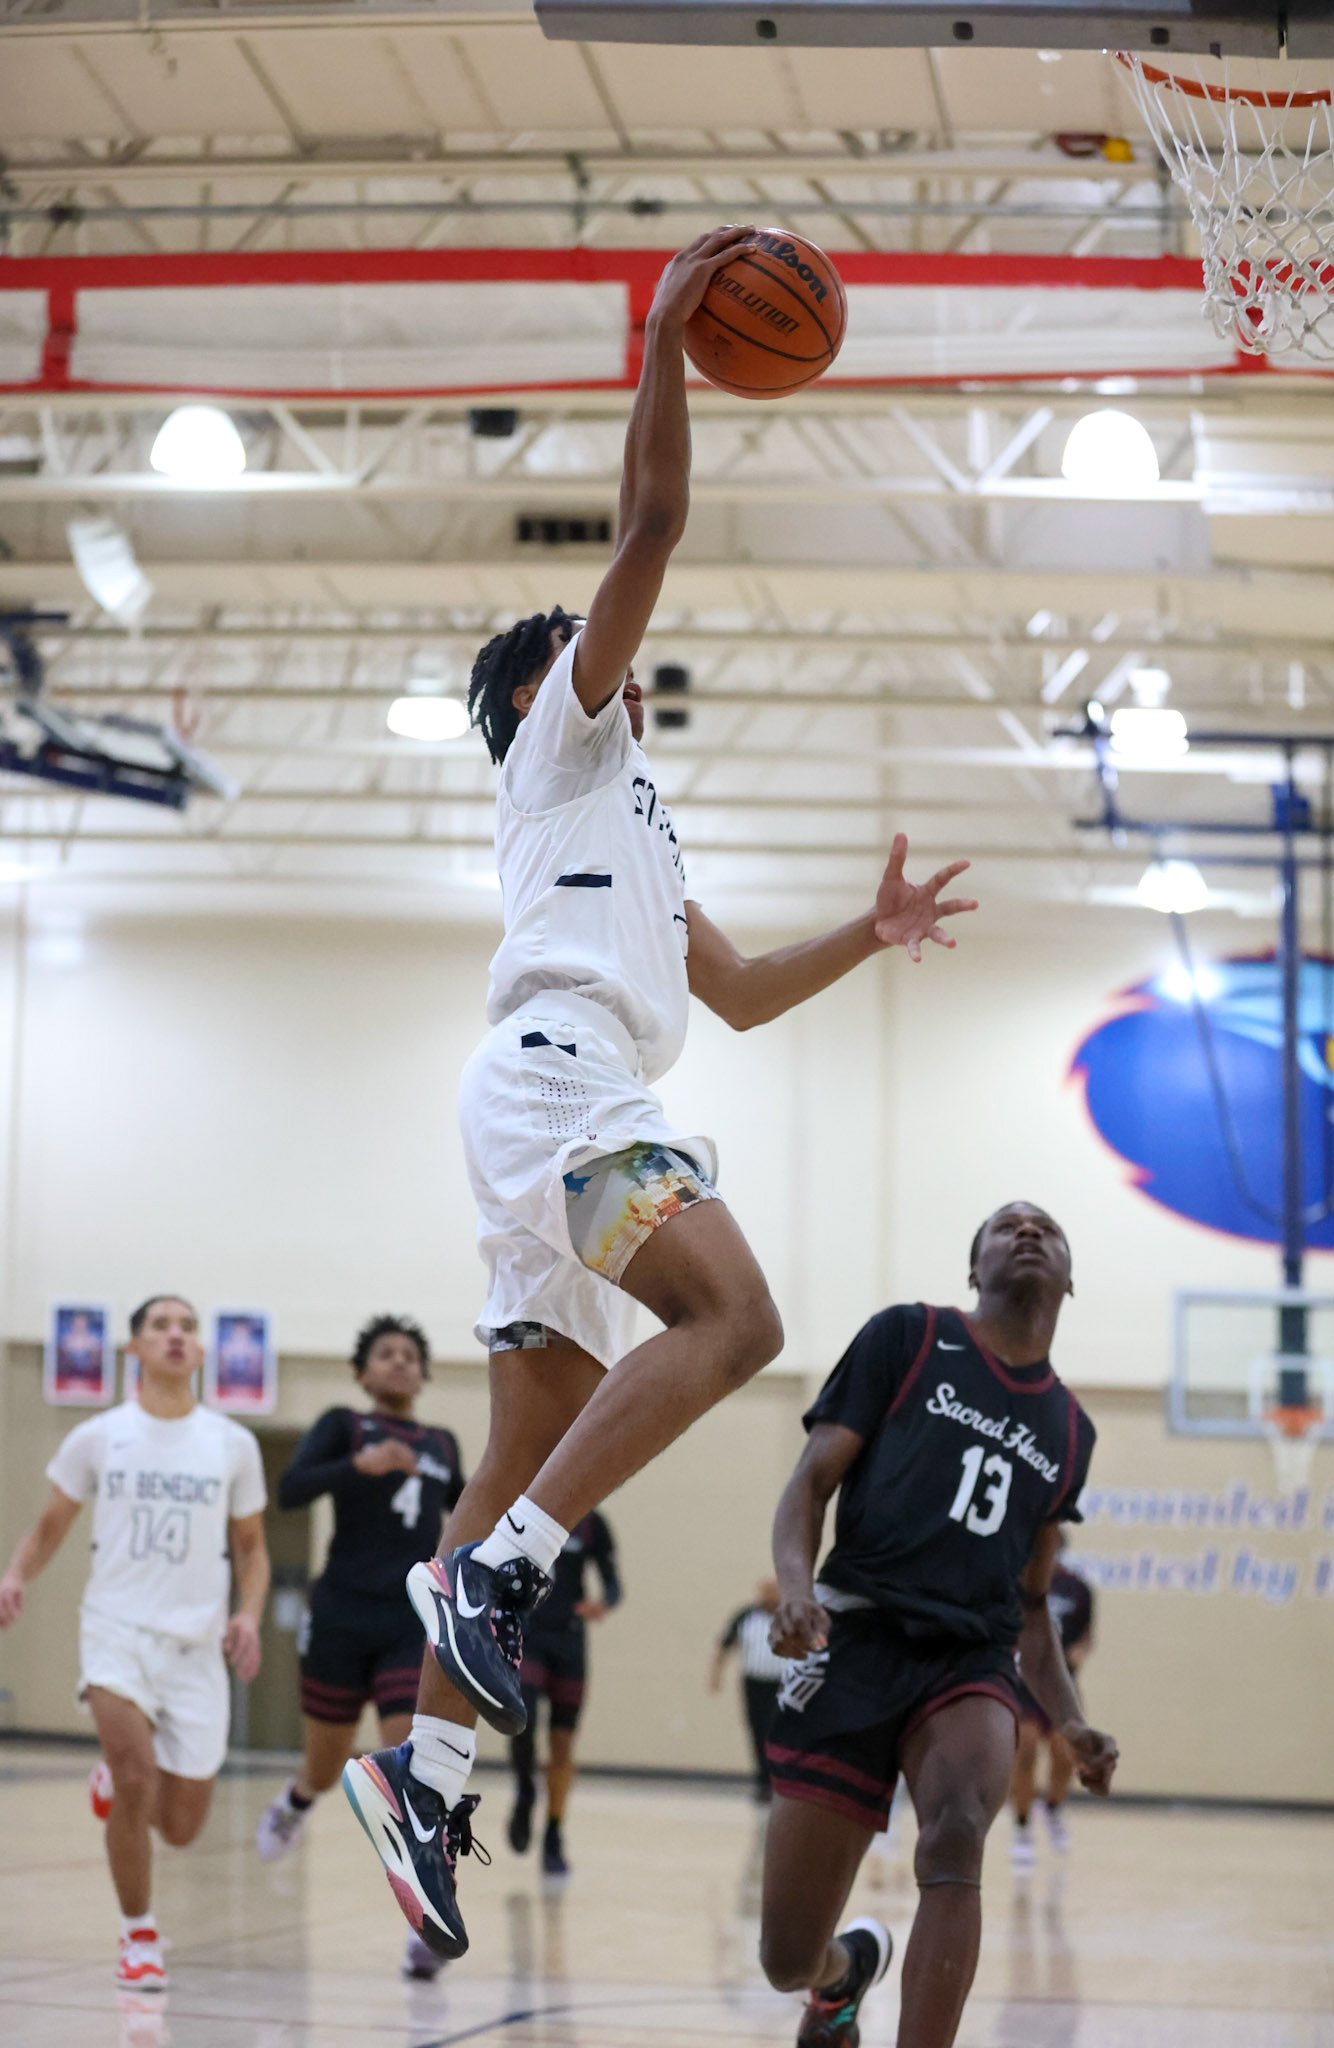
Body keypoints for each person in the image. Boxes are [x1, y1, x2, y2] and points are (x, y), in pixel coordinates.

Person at [341, 222, 978, 1966]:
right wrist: (666, 341)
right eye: (580, 643)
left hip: (550, 1097)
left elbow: (747, 993)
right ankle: (491, 1581)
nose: (605, 643)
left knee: (532, 1445)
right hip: (562, 1088)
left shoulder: (635, 826)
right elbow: (653, 527)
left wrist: (874, 921)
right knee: (740, 1315)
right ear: (546, 682)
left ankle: (425, 1764)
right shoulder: (565, 734)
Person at [758, 1203, 1119, 2048]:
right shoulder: (908, 1337)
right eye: (1005, 1226)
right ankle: (839, 1977)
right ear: (972, 1268)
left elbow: (1030, 1606)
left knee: (957, 1831)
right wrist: (793, 1587)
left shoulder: (1070, 1429)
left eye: (1047, 1229)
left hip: (969, 1659)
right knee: (785, 1956)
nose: (1027, 1232)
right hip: (856, 1633)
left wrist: (1067, 1719)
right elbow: (809, 1484)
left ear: (1070, 1279)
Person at [0, 1295, 268, 1992]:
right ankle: (139, 1935)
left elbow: (251, 1548)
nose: (176, 1336)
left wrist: (247, 1615)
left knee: (178, 1826)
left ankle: (113, 1781)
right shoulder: (98, 1436)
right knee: (136, 1777)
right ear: (135, 1349)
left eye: (187, 1327)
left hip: (195, 1644)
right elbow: (52, 1524)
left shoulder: (231, 1444)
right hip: (115, 1629)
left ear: (203, 1352)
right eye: (160, 1326)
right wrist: (16, 1576)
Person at [255, 1314, 462, 1977]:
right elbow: (289, 1491)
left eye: (410, 1354)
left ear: (424, 1375)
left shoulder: (442, 1442)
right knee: (325, 1764)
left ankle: (426, 1922)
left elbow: (464, 1516)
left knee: (413, 1774)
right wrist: (355, 1466)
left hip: (409, 1621)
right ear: (362, 1372)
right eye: (386, 1353)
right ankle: (295, 1802)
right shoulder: (344, 1423)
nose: (399, 1362)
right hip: (341, 1612)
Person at [507, 1509, 620, 1876]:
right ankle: (525, 1790)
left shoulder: (591, 1523)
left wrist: (604, 1602)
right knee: (520, 1717)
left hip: (569, 1640)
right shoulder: (525, 1512)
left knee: (562, 1743)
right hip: (529, 1633)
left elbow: (613, 1583)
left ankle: (554, 1834)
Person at [1008, 1539, 1095, 1868]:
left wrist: (1078, 1653)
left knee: (1065, 1754)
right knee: (1025, 1748)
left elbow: (1088, 1636)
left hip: (1060, 1685)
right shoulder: (1019, 1586)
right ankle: (1022, 1826)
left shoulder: (1078, 1589)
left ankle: (1054, 1809)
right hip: (1026, 1682)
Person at [710, 1578, 784, 1801]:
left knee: (779, 1732)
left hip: (784, 1685)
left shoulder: (793, 1615)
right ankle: (763, 1782)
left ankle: (780, 1782)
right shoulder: (746, 1616)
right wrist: (716, 1676)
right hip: (753, 1684)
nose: (770, 1596)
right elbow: (726, 1645)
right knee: (757, 1731)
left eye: (774, 1592)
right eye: (766, 1592)